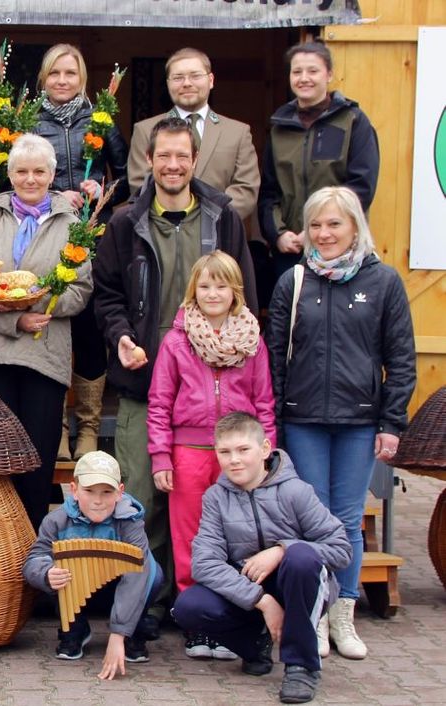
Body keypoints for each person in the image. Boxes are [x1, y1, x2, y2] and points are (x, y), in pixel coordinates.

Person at [93, 116, 257, 635]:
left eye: (181, 156)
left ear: (195, 159)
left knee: (210, 511)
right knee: (142, 503)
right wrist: (121, 336)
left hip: (211, 396)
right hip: (144, 386)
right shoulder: (125, 223)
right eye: (163, 155)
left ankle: (205, 607)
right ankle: (145, 603)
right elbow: (107, 295)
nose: (172, 165)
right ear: (149, 160)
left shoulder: (222, 218)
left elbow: (245, 295)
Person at [266, 186, 415, 660]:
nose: (324, 233)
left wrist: (391, 422)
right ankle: (314, 612)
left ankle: (342, 614)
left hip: (360, 421)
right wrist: (275, 422)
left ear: (355, 227)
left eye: (334, 224)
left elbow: (401, 359)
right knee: (313, 519)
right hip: (304, 419)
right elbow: (275, 360)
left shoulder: (384, 281)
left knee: (347, 520)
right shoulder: (293, 282)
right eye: (316, 225)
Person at [172, 413, 352, 705]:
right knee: (189, 606)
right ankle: (254, 646)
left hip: (299, 586)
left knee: (301, 557)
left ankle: (301, 666)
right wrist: (262, 601)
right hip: (250, 591)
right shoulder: (216, 498)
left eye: (243, 450)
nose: (234, 460)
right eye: (225, 452)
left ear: (265, 449)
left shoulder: (296, 491)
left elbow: (341, 549)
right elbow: (205, 563)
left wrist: (282, 549)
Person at [147, 250, 275, 659]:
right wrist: (161, 456)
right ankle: (198, 623)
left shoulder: (252, 341)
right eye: (204, 286)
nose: (213, 293)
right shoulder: (176, 341)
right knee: (189, 539)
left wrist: (265, 456)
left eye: (221, 285)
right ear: (193, 290)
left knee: (238, 539)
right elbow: (160, 403)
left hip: (237, 457)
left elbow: (264, 403)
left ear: (235, 290)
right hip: (188, 451)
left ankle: (232, 618)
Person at [0, 133, 93, 530]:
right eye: (21, 171)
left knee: (36, 459)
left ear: (52, 175)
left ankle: (33, 547)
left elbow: (80, 291)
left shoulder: (73, 226)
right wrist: (14, 319)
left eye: (38, 171)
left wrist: (32, 301)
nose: (30, 179)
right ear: (10, 174)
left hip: (45, 353)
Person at [32, 44, 129, 463]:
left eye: (70, 73)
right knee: (52, 328)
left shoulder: (100, 120)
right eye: (54, 73)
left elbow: (127, 179)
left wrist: (102, 190)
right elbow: (17, 178)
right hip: (44, 234)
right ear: (43, 78)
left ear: (82, 78)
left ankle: (88, 425)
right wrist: (54, 194)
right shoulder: (29, 121)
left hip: (92, 238)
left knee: (89, 328)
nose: (62, 81)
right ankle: (55, 425)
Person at [23, 451, 162, 678]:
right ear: (74, 490)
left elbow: (138, 574)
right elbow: (34, 558)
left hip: (118, 592)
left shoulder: (130, 522)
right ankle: (74, 627)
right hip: (76, 590)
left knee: (153, 575)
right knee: (57, 570)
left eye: (107, 492)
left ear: (120, 492)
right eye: (89, 491)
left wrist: (118, 635)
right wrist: (46, 574)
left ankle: (132, 629)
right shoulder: (56, 520)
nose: (98, 501)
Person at [258, 41, 379, 280]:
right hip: (291, 250)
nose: (304, 78)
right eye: (297, 72)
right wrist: (278, 235)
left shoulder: (353, 121)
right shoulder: (279, 128)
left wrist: (317, 230)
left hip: (340, 247)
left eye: (312, 71)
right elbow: (269, 191)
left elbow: (362, 185)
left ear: (329, 75)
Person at [128, 48, 260, 223]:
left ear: (211, 80)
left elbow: (246, 188)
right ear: (168, 83)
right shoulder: (145, 130)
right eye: (178, 77)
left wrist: (207, 219)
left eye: (195, 76)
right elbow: (140, 185)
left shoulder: (237, 132)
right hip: (163, 229)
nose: (187, 83)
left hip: (220, 229)